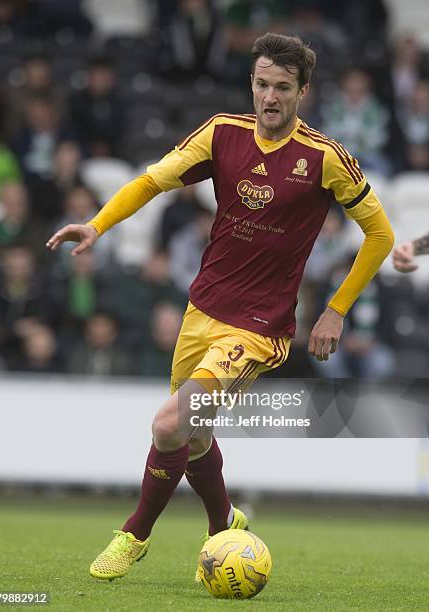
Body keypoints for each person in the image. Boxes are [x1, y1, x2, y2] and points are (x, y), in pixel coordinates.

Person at [46, 33, 394, 582]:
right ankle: (223, 525)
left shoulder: (325, 158)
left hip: (259, 327)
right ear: (251, 84)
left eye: (283, 87)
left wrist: (336, 309)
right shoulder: (222, 133)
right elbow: (152, 181)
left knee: (168, 426)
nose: (270, 97)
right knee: (196, 435)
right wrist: (97, 224)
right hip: (202, 309)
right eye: (261, 84)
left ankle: (134, 534)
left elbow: (380, 235)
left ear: (303, 91)